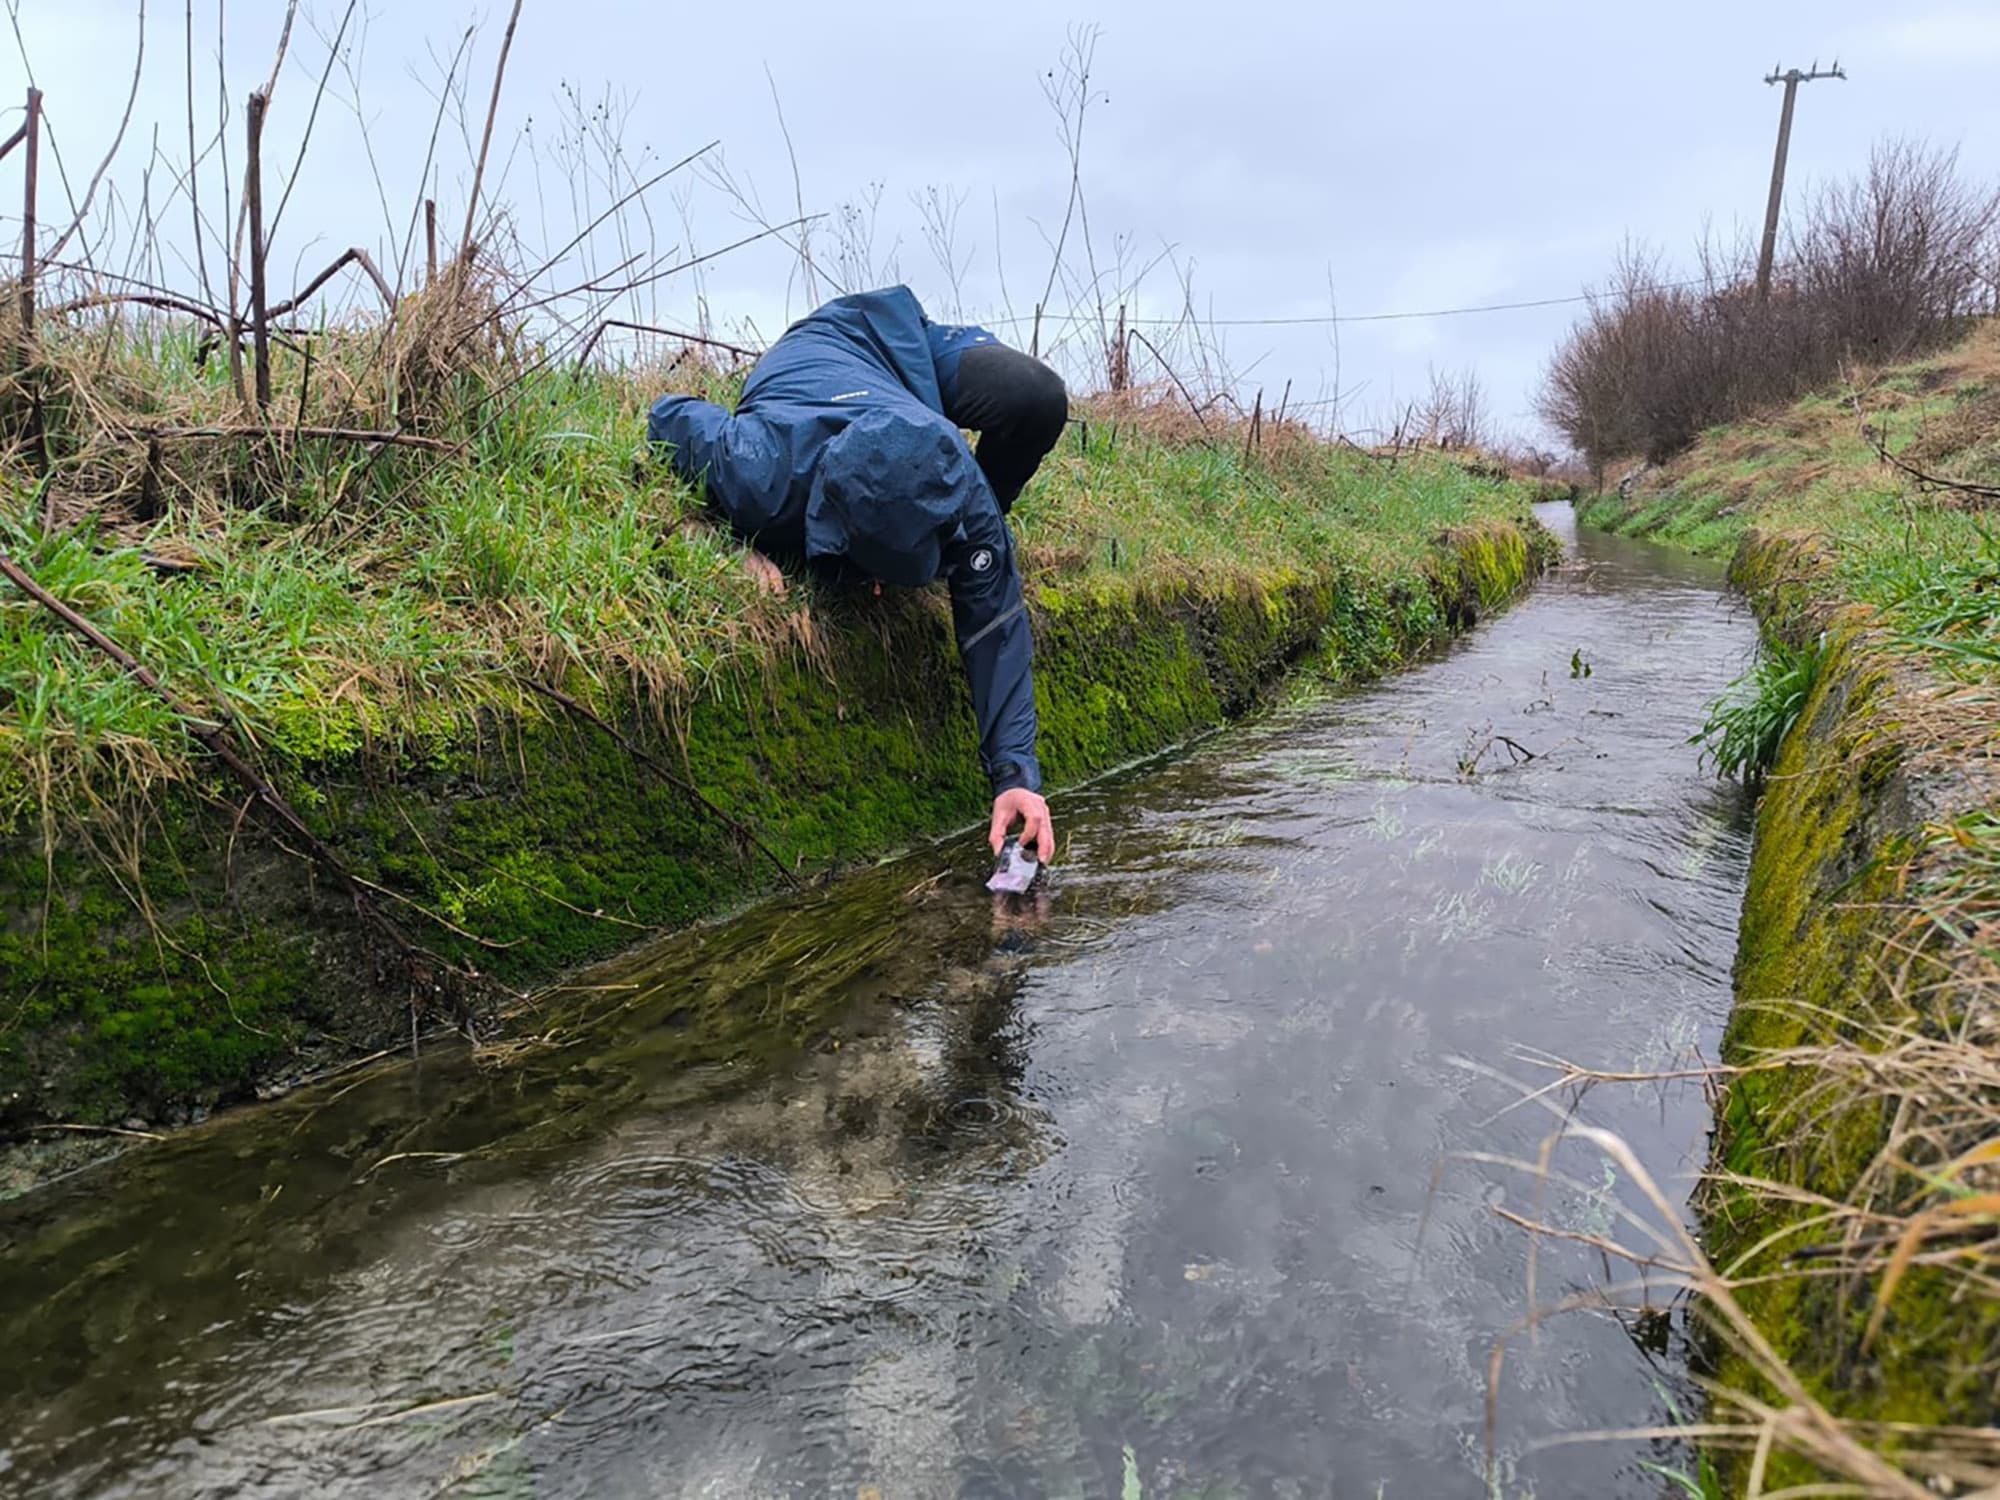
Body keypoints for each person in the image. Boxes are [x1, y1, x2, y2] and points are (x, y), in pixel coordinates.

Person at [648, 286, 1069, 860]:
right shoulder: (758, 469)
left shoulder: (962, 485)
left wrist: (1016, 777)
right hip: (810, 358)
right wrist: (722, 543)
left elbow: (994, 621)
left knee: (1036, 394)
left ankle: (922, 546)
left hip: (899, 346)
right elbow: (668, 415)